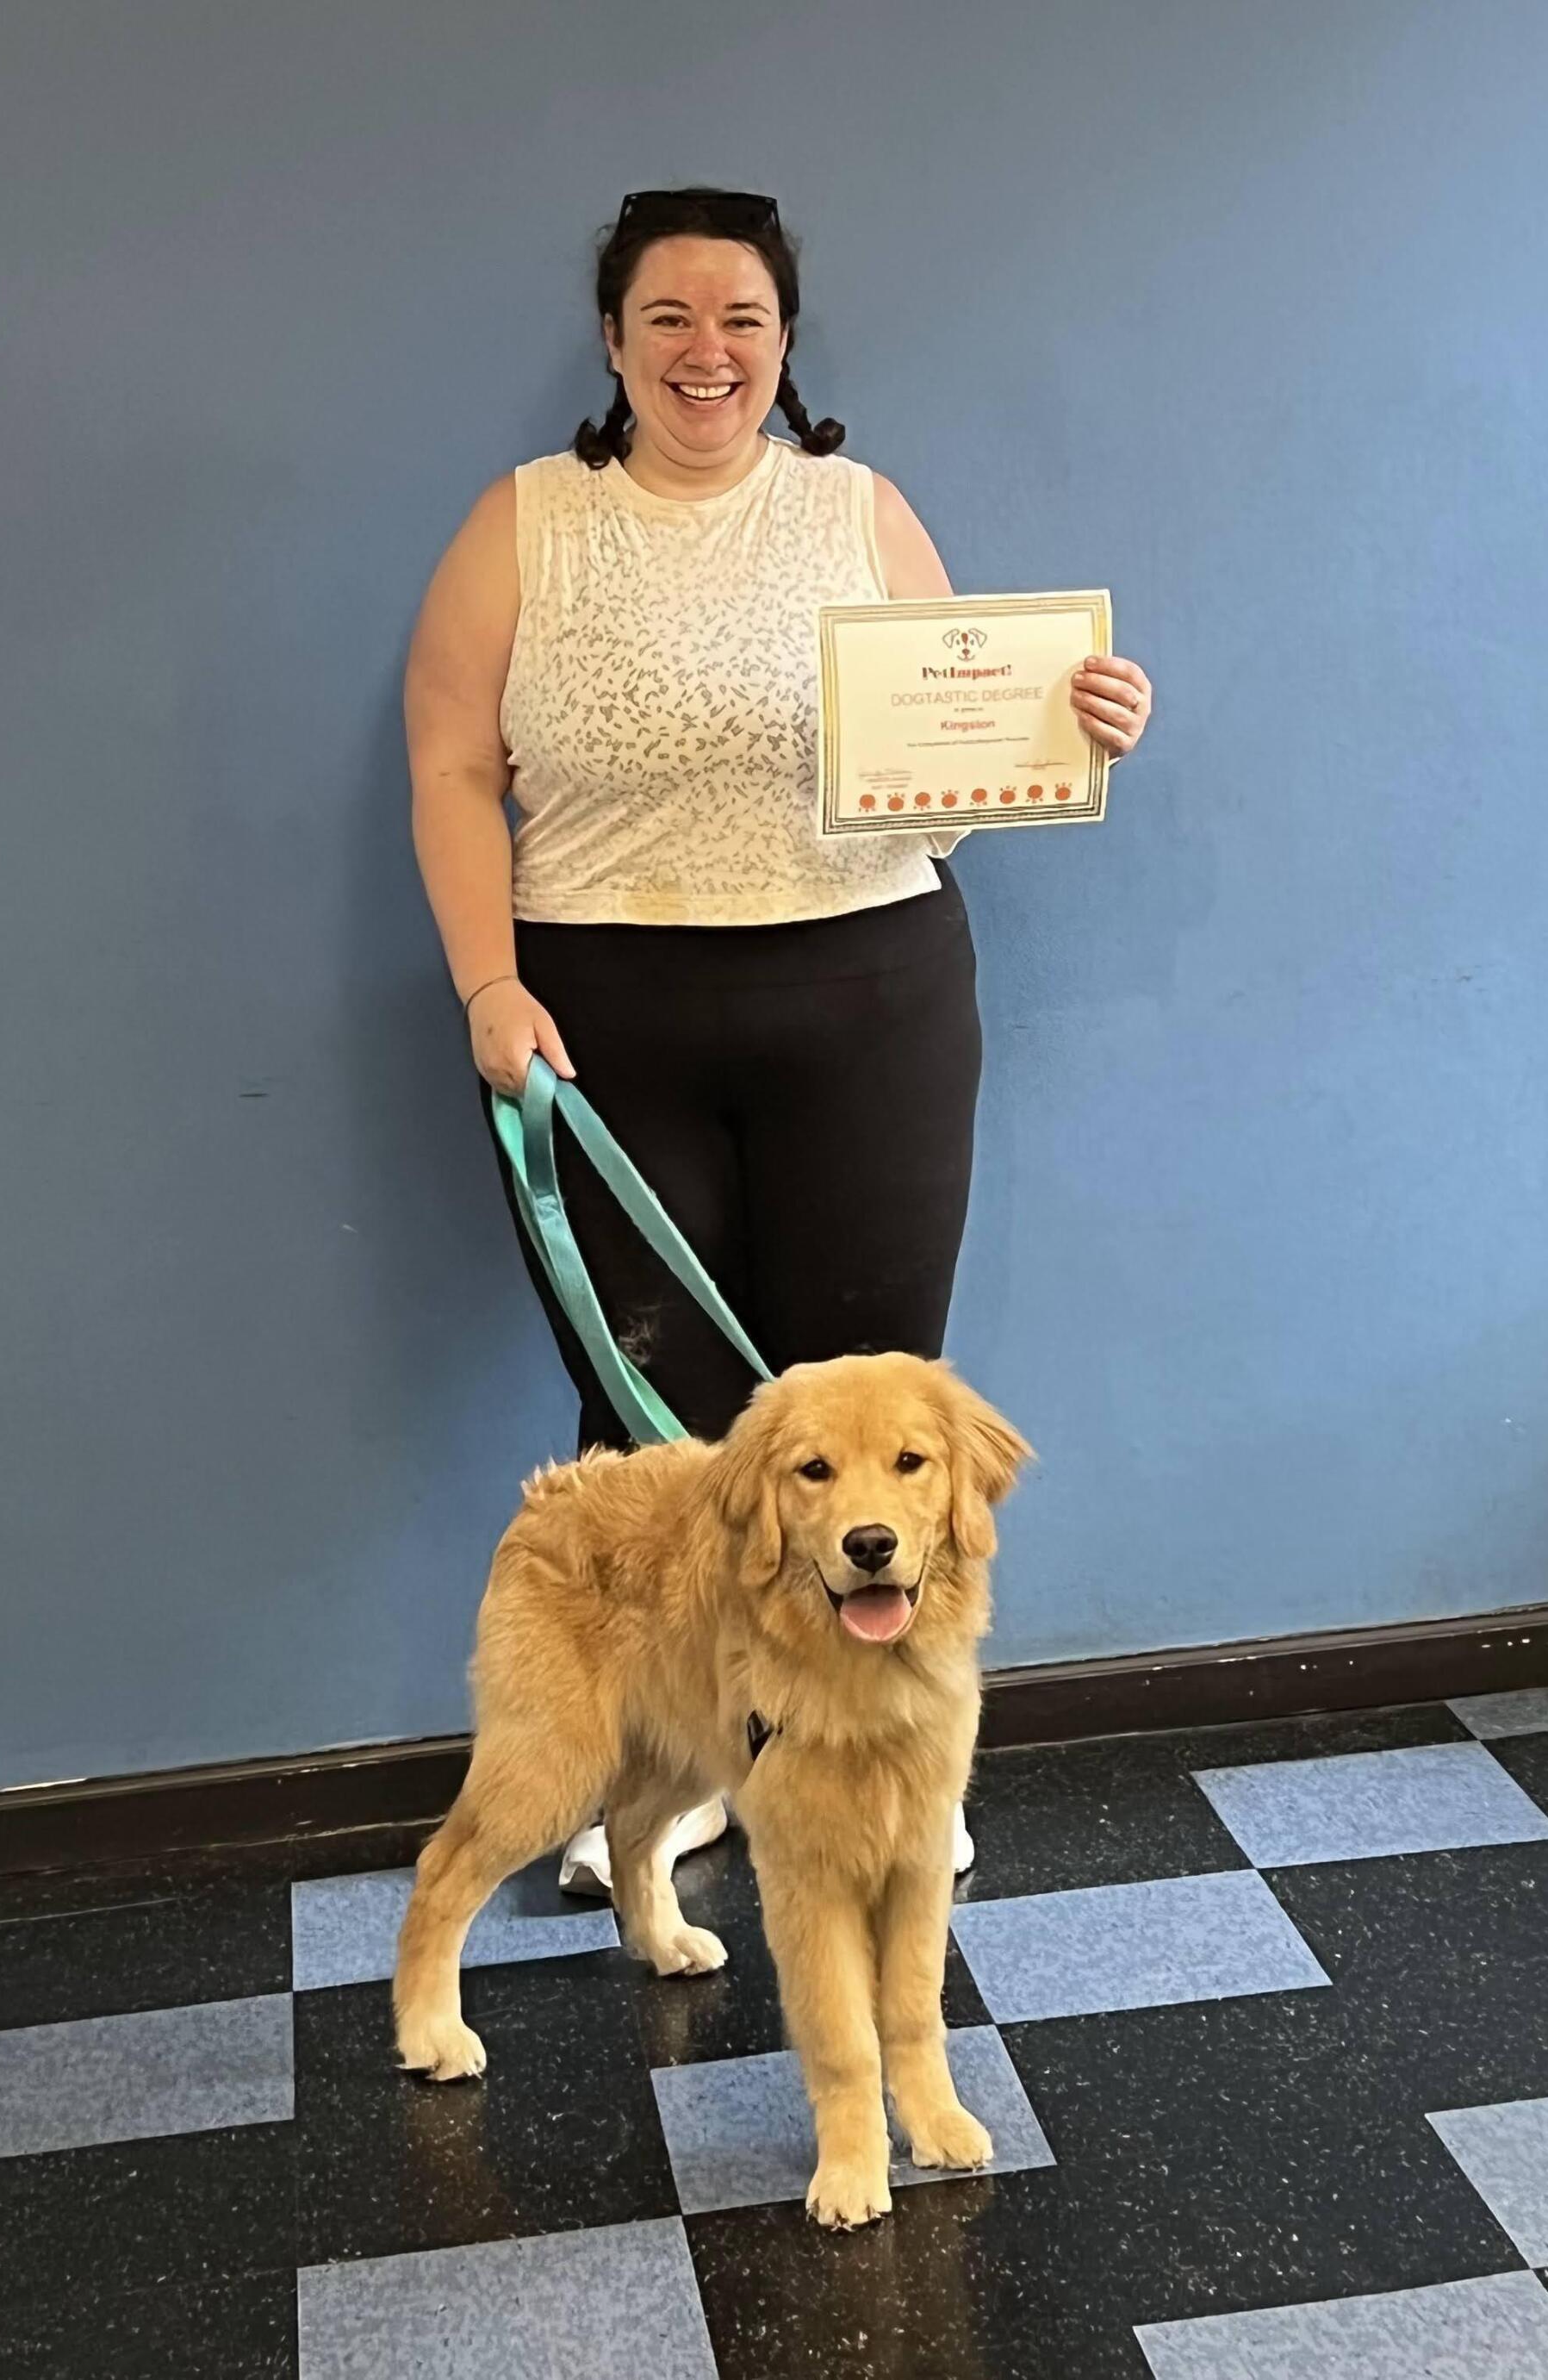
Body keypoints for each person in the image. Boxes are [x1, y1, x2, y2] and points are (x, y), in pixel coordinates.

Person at [405, 187, 1153, 1894]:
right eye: (666, 317)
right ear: (611, 342)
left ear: (785, 341)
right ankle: (666, 1779)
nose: (705, 351)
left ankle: (885, 1771)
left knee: (877, 1412)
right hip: (604, 1020)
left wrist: (1080, 718)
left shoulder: (859, 510)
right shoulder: (522, 526)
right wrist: (485, 985)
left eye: (740, 317)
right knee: (655, 1415)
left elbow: (959, 750)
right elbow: (452, 765)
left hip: (871, 1001)